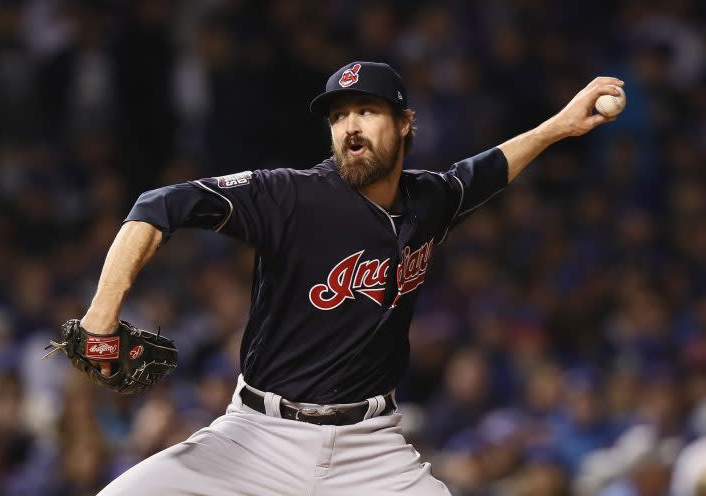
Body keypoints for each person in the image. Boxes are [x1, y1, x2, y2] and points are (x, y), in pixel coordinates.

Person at [79, 61, 623, 495]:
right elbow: (158, 206)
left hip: (373, 449)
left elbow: (490, 169)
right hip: (257, 438)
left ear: (406, 123)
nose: (351, 127)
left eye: (367, 110)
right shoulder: (291, 196)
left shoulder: (431, 199)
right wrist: (101, 314)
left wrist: (558, 127)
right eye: (339, 116)